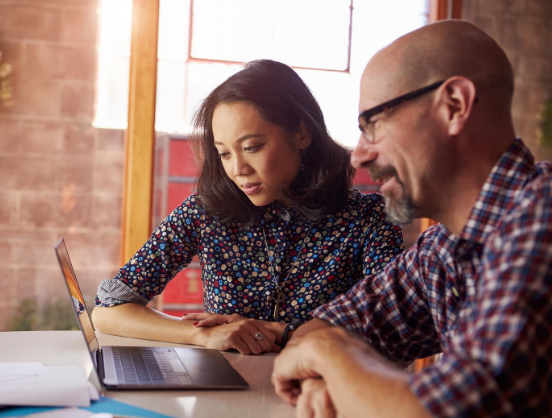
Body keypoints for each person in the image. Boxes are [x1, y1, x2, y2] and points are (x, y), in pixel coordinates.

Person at [272, 20, 552, 417]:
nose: (358, 156)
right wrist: (325, 370)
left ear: (454, 105)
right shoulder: (442, 249)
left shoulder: (542, 213)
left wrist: (329, 357)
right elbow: (323, 327)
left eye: (373, 125)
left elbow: (453, 410)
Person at [92, 59, 404, 355]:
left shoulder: (369, 218)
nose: (238, 168)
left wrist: (280, 331)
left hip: (321, 397)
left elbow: (394, 337)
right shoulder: (206, 211)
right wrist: (199, 334)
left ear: (301, 133)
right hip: (223, 398)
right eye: (224, 153)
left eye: (251, 147)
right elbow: (108, 311)